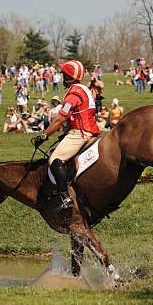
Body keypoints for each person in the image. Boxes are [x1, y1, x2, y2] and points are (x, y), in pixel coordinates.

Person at [33, 59, 100, 212]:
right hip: (87, 130)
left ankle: (65, 197)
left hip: (80, 133)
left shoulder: (74, 92)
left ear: (68, 76)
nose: (62, 76)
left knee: (54, 159)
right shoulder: (83, 89)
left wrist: (43, 136)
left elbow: (60, 118)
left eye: (63, 73)